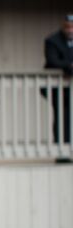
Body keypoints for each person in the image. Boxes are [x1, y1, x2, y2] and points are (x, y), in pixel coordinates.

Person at [44, 14, 73, 146]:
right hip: (58, 88)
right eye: (68, 27)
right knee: (62, 116)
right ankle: (61, 148)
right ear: (63, 27)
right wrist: (69, 66)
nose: (70, 30)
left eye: (72, 27)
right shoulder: (53, 41)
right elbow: (52, 61)